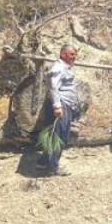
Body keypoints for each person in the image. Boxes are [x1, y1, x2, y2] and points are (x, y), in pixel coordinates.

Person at [38, 45, 79, 177]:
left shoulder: (63, 67)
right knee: (59, 136)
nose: (74, 57)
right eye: (71, 54)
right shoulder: (59, 68)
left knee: (53, 135)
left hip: (63, 104)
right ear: (63, 55)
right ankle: (53, 167)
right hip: (61, 105)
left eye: (74, 54)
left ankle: (45, 161)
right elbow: (53, 87)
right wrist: (57, 106)